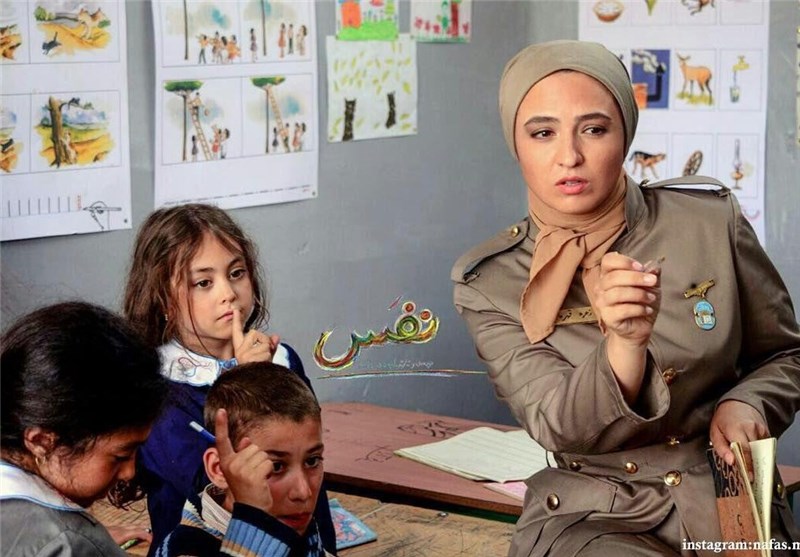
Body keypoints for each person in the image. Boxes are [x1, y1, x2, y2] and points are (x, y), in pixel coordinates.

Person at [451, 40, 800, 556]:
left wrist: (748, 401)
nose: (569, 156)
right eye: (543, 133)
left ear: (625, 134)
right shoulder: (491, 281)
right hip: (596, 512)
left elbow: (785, 354)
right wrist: (623, 346)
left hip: (729, 485)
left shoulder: (708, 221)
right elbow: (559, 425)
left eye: (594, 129)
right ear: (516, 144)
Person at [122, 203, 337, 555]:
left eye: (236, 273)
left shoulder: (282, 360)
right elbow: (214, 483)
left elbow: (306, 458)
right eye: (204, 283)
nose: (229, 294)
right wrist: (247, 379)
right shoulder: (155, 386)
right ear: (163, 299)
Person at [0, 301, 168, 556]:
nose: (129, 472)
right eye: (120, 456)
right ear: (42, 442)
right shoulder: (68, 544)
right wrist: (87, 542)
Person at [155, 362, 331, 556]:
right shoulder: (186, 548)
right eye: (275, 466)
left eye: (312, 461)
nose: (303, 492)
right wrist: (252, 521)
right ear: (218, 469)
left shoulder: (301, 534)